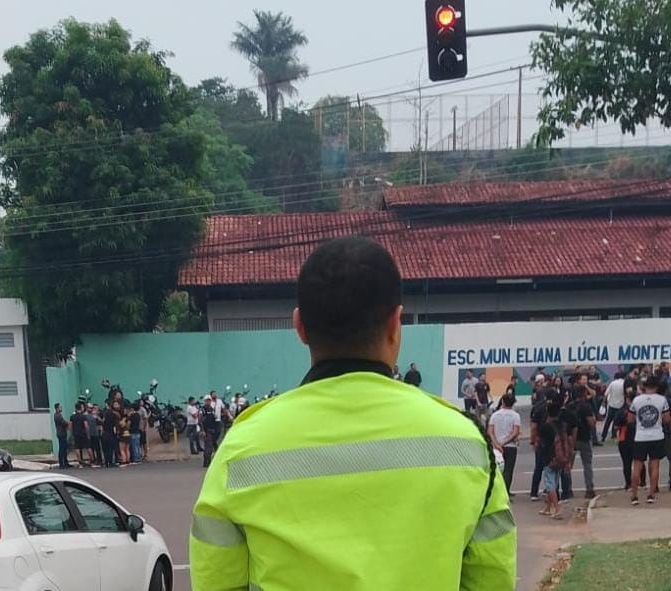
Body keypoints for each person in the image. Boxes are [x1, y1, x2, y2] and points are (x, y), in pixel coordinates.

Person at [190, 236, 515, 591]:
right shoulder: (466, 444)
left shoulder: (241, 448)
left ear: (299, 327)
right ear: (395, 324)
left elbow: (216, 582)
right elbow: (492, 579)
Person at [629, 375, 671, 505]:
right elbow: (667, 419)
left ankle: (635, 496)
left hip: (640, 436)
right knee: (655, 466)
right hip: (657, 436)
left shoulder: (636, 400)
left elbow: (630, 419)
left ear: (644, 386)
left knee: (637, 467)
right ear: (657, 387)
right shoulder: (662, 400)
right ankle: (651, 494)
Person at [540, 404, 570, 520]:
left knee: (550, 484)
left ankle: (557, 509)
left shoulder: (546, 426)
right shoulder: (562, 425)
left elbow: (540, 439)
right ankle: (548, 507)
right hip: (561, 457)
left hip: (550, 457)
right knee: (554, 482)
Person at [488, 394, 520, 496]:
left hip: (496, 446)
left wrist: (496, 444)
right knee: (508, 470)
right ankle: (505, 492)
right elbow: (515, 432)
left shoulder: (495, 415)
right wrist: (504, 442)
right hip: (510, 446)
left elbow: (490, 431)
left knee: (497, 469)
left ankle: (497, 491)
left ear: (502, 402)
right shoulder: (515, 416)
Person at [570, 386, 597, 499]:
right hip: (584, 438)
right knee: (587, 464)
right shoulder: (586, 407)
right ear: (584, 394)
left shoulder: (570, 406)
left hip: (571, 438)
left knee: (568, 465)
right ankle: (589, 489)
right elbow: (591, 423)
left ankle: (567, 489)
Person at [601, 372, 626, 442]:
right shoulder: (625, 383)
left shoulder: (612, 383)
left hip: (612, 405)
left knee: (608, 421)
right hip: (621, 405)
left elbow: (606, 394)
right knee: (617, 421)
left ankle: (603, 436)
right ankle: (614, 435)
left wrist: (603, 402)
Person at [199, 396, 219, 468]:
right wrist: (202, 430)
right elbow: (200, 420)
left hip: (212, 430)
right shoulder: (203, 409)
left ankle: (207, 462)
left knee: (209, 447)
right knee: (208, 446)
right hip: (206, 430)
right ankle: (207, 462)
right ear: (205, 401)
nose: (208, 402)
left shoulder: (211, 409)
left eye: (209, 400)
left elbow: (213, 418)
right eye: (207, 400)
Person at [70, 402, 89, 467]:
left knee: (77, 447)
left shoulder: (72, 416)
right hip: (83, 433)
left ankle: (80, 460)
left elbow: (70, 425)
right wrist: (87, 431)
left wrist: (72, 432)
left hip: (76, 433)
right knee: (88, 446)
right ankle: (92, 460)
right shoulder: (83, 416)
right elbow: (86, 425)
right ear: (81, 408)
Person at [102, 401, 120, 468]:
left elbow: (102, 422)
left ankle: (106, 462)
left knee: (105, 449)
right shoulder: (114, 414)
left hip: (105, 433)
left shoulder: (104, 414)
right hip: (111, 433)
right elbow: (115, 426)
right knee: (111, 449)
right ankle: (111, 462)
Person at [53, 403, 70, 469]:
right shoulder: (57, 416)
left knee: (65, 448)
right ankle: (61, 463)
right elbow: (63, 423)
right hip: (61, 434)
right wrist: (68, 423)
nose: (61, 408)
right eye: (60, 407)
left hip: (62, 433)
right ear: (57, 408)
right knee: (62, 448)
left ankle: (65, 462)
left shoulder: (59, 415)